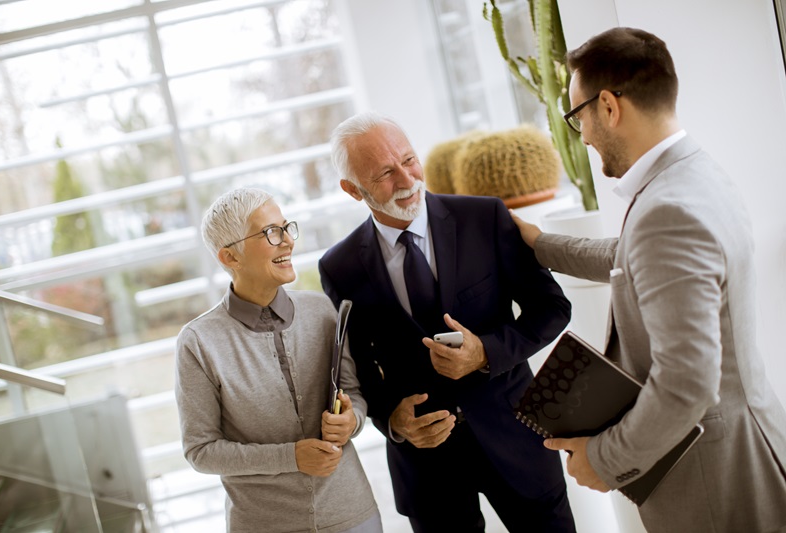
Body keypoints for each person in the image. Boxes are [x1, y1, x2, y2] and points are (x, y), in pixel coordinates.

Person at [512, 27, 786, 533]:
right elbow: (635, 258)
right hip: (740, 452)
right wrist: (540, 244)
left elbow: (685, 383)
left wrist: (605, 457)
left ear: (610, 107)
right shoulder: (695, 174)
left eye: (578, 117)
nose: (585, 136)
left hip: (714, 478)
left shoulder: (667, 210)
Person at [318, 111, 577, 532]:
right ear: (353, 189)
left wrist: (485, 354)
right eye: (385, 172)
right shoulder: (338, 266)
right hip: (426, 470)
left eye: (408, 160)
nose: (405, 180)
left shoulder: (486, 218)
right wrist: (394, 422)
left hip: (517, 443)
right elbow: (360, 373)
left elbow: (552, 309)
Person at [175, 187, 382, 533]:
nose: (287, 241)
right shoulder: (198, 342)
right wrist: (291, 457)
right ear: (230, 257)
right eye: (271, 232)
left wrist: (352, 420)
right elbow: (201, 450)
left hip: (352, 514)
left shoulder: (321, 311)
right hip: (264, 524)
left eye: (287, 228)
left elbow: (353, 393)